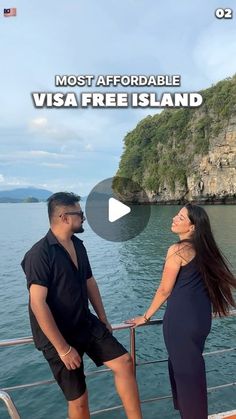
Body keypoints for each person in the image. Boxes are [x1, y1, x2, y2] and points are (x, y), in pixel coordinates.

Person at [21, 192, 142, 419]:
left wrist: (103, 318)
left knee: (125, 362)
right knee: (79, 401)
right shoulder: (39, 254)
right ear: (65, 217)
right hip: (58, 336)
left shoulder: (78, 245)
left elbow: (89, 282)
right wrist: (63, 349)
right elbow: (38, 304)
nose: (84, 218)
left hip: (85, 323)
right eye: (80, 214)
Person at [127, 203, 236, 419]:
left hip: (181, 322)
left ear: (192, 227)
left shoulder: (177, 250)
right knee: (189, 369)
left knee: (187, 375)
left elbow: (164, 289)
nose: (174, 218)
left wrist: (146, 316)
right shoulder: (204, 250)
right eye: (177, 215)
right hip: (200, 320)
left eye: (181, 217)